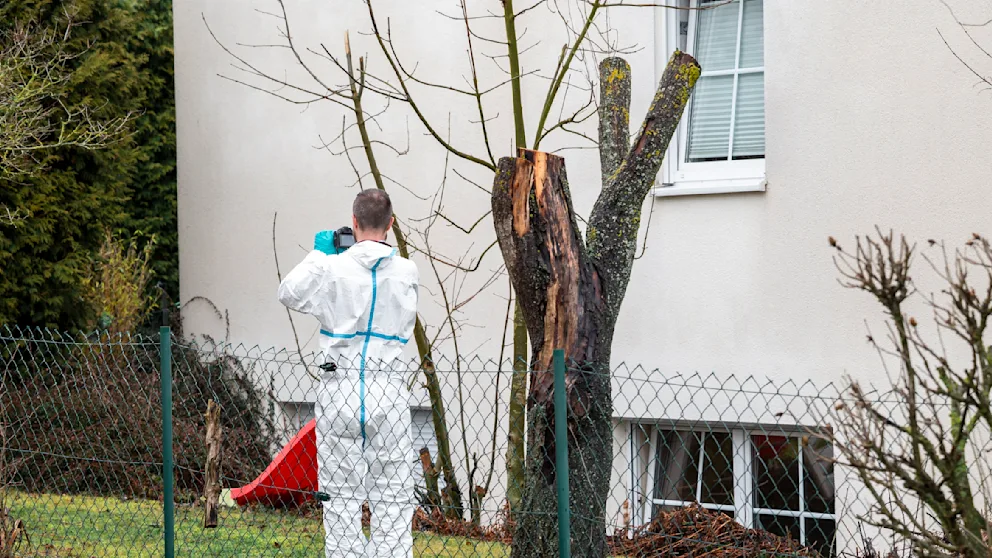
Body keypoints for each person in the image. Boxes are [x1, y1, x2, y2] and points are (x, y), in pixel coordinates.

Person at [277, 189, 418, 558]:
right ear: (391, 224)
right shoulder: (406, 270)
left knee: (340, 498)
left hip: (339, 387)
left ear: (353, 223)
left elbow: (289, 292)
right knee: (393, 497)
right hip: (387, 388)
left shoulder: (330, 267)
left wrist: (320, 254)